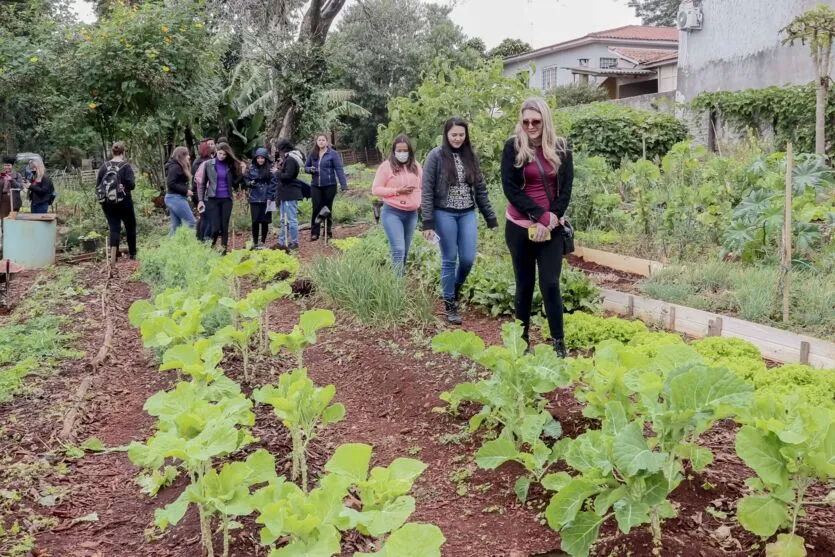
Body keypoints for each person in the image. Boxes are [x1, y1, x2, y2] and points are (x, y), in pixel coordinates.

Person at [501, 97, 574, 358]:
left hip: (551, 228)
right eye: (526, 121)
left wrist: (552, 216)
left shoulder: (562, 148)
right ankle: (521, 344)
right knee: (524, 284)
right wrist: (539, 215)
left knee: (551, 284)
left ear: (545, 120)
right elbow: (510, 188)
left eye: (536, 121)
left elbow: (565, 190)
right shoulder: (513, 147)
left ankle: (558, 345)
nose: (531, 126)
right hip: (520, 227)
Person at [422, 117, 497, 325]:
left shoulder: (471, 156)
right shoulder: (435, 156)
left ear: (466, 136)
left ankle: (453, 289)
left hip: (467, 213)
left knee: (467, 259)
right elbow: (427, 190)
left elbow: (481, 188)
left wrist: (490, 217)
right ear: (447, 135)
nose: (457, 138)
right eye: (454, 134)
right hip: (444, 212)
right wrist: (427, 222)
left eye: (461, 135)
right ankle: (449, 304)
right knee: (449, 258)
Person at [372, 134, 422, 275]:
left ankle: (398, 278)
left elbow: (423, 186)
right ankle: (397, 289)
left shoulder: (416, 166)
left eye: (405, 150)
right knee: (398, 249)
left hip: (411, 214)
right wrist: (396, 191)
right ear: (394, 151)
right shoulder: (386, 167)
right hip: (393, 212)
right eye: (399, 150)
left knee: (405, 251)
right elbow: (376, 189)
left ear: (410, 151)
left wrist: (421, 202)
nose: (402, 153)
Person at [196, 142, 241, 254]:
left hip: (227, 199)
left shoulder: (229, 166)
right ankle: (210, 248)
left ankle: (224, 251)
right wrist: (201, 200)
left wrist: (242, 173)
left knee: (224, 225)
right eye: (220, 153)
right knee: (215, 227)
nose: (222, 156)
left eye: (224, 154)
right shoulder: (208, 164)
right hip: (212, 199)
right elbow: (202, 184)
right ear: (216, 151)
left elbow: (235, 183)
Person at [97, 142, 137, 262]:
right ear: (123, 152)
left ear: (112, 152)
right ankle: (133, 254)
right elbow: (131, 185)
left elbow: (98, 185)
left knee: (114, 227)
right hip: (124, 201)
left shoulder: (104, 166)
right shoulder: (126, 166)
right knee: (130, 227)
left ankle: (114, 256)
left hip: (108, 202)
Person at [304, 133, 347, 241]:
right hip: (315, 185)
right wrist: (310, 170)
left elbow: (339, 169)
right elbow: (305, 167)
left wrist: (343, 185)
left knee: (327, 208)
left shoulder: (333, 154)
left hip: (330, 185)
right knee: (316, 208)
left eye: (323, 140)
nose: (321, 142)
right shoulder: (312, 153)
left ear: (327, 142)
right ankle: (315, 233)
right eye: (319, 140)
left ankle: (327, 232)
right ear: (316, 142)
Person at [275, 139, 306, 250]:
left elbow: (288, 176)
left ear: (283, 149)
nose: (279, 152)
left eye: (280, 150)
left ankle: (294, 242)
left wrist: (277, 172)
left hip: (290, 193)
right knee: (283, 219)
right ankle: (282, 241)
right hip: (285, 193)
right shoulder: (288, 159)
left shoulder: (291, 160)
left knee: (291, 219)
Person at [245, 147, 277, 249]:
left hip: (266, 197)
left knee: (265, 221)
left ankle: (263, 241)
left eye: (262, 158)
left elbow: (273, 183)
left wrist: (270, 197)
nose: (260, 160)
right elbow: (246, 180)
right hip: (254, 197)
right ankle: (255, 242)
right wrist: (251, 183)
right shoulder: (251, 168)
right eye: (258, 158)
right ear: (255, 158)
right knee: (255, 221)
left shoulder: (270, 168)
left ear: (266, 158)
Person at [164, 146, 196, 235]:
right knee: (191, 222)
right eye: (187, 155)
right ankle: (192, 245)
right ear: (182, 156)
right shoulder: (175, 167)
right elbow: (171, 183)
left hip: (174, 198)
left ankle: (167, 247)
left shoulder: (177, 166)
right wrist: (186, 191)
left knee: (176, 226)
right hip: (175, 198)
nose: (189, 157)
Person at [192, 138, 215, 240]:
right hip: (202, 193)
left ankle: (201, 239)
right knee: (207, 219)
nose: (212, 146)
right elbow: (198, 181)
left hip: (200, 193)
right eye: (209, 145)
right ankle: (204, 240)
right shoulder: (203, 163)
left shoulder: (201, 161)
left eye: (212, 144)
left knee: (204, 218)